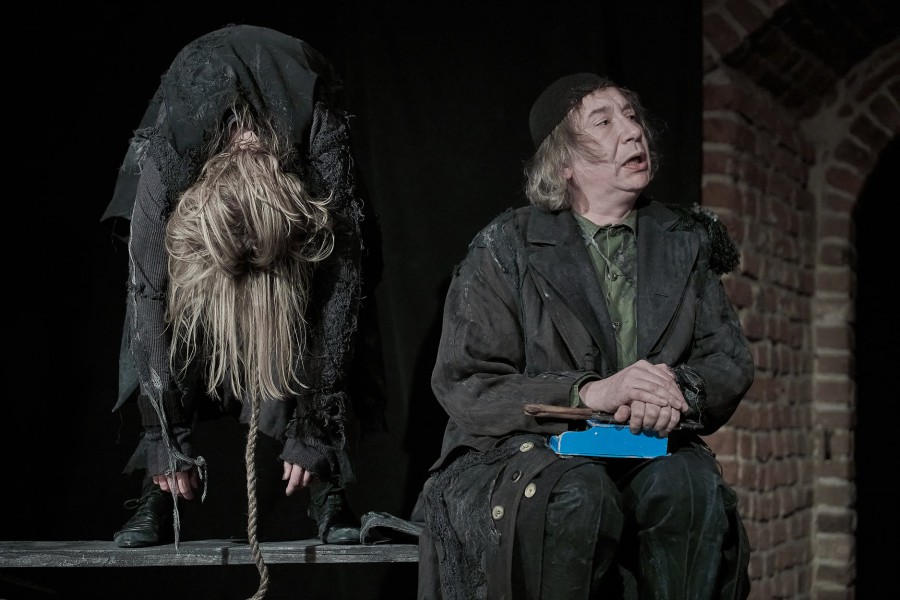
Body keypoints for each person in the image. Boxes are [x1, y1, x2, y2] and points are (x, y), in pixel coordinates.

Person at [414, 73, 754, 599]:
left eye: (631, 116)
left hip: (647, 444)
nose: (633, 131)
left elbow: (726, 358)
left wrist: (673, 392)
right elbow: (467, 380)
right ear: (564, 163)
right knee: (575, 494)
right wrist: (589, 393)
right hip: (528, 449)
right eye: (604, 122)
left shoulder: (684, 241)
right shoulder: (507, 245)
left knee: (688, 489)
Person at [100, 24, 385, 563]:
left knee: (328, 295)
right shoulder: (173, 152)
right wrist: (165, 436)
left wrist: (314, 426)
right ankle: (156, 490)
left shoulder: (318, 137)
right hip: (195, 146)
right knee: (168, 314)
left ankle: (326, 485)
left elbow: (342, 291)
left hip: (298, 178)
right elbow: (146, 294)